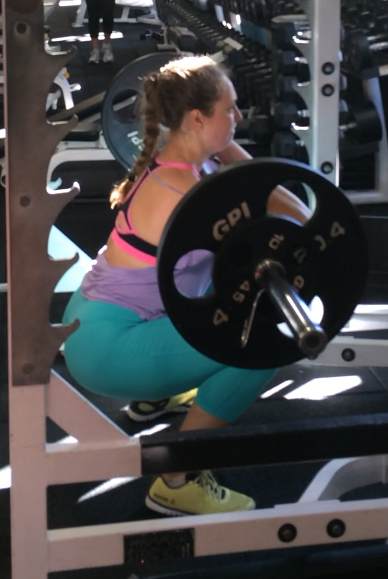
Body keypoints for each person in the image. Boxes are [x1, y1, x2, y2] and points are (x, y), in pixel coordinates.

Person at [62, 54, 311, 516]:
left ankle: (155, 396)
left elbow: (265, 193)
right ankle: (177, 479)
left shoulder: (182, 167)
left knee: (211, 303)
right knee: (260, 342)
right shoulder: (189, 194)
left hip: (95, 319)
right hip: (108, 350)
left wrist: (226, 146)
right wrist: (233, 155)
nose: (239, 117)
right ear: (197, 119)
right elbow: (298, 216)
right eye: (229, 109)